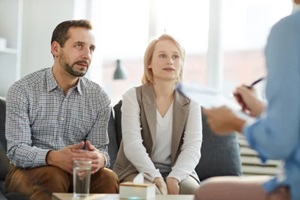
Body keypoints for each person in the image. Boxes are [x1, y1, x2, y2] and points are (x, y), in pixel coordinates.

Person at [194, 1, 300, 199]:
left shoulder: (289, 31)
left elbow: (280, 143)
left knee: (206, 192)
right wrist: (262, 109)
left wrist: (236, 121)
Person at [5, 19, 118, 200]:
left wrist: (100, 159)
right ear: (56, 49)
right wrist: (53, 157)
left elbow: (102, 150)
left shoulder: (99, 97)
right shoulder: (22, 90)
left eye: (91, 49)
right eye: (79, 46)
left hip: (78, 173)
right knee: (54, 176)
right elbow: (17, 150)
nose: (86, 55)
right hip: (28, 172)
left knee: (108, 177)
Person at [113, 34, 202, 195]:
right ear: (149, 64)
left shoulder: (192, 101)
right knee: (153, 192)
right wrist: (156, 177)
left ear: (181, 64)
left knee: (195, 192)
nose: (170, 61)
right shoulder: (132, 96)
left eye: (176, 56)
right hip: (135, 170)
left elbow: (193, 147)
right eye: (162, 55)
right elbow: (133, 146)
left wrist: (174, 178)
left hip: (178, 172)